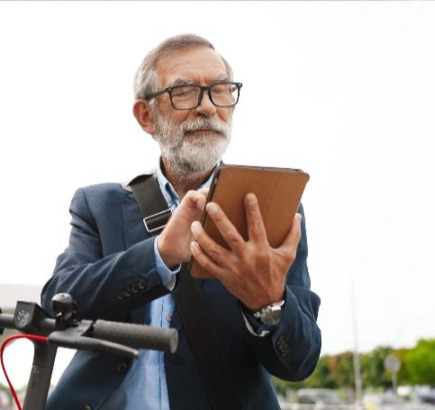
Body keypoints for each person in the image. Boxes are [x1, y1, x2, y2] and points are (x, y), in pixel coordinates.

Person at [41, 34, 322, 409]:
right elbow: (58, 300)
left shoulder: (271, 209)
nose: (208, 107)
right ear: (146, 117)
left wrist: (268, 303)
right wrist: (158, 255)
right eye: (185, 92)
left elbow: (299, 362)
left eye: (220, 90)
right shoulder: (99, 205)